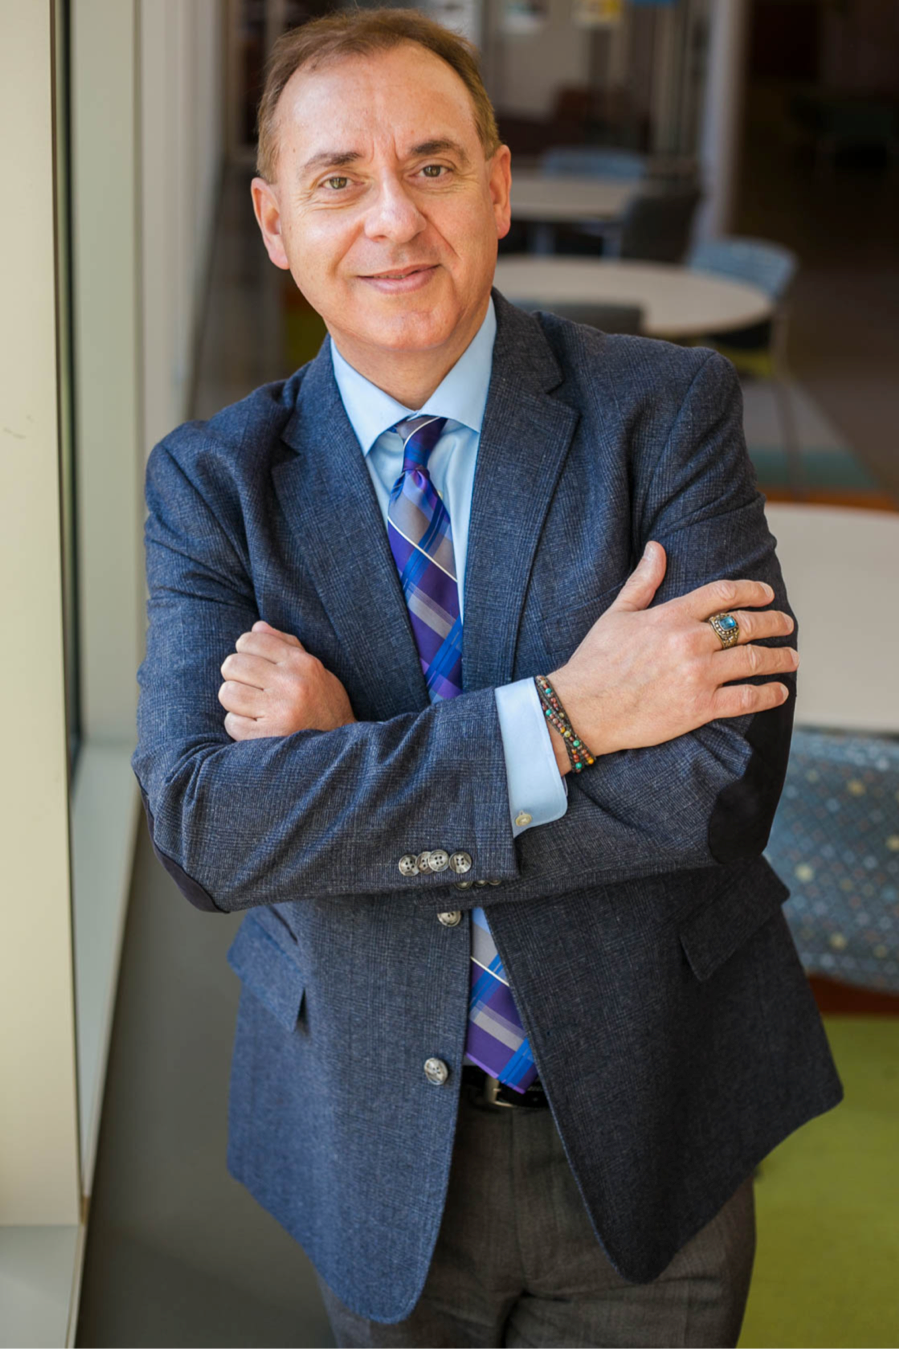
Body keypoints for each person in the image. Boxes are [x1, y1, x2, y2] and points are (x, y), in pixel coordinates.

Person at [132, 9, 842, 1346]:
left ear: (498, 187)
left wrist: (342, 773)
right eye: (338, 179)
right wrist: (563, 722)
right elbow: (204, 830)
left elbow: (719, 781)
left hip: (652, 1108)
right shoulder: (212, 484)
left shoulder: (663, 414)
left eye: (433, 166)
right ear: (275, 222)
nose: (393, 220)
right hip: (366, 1127)